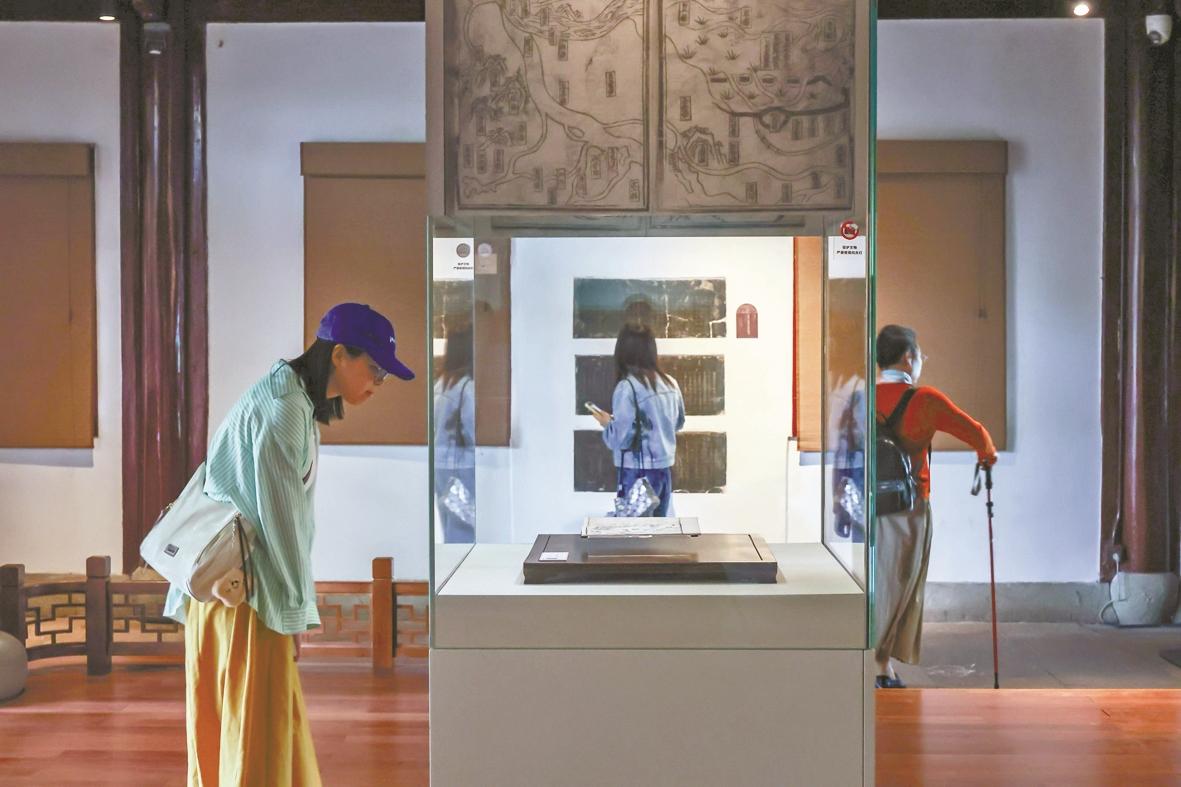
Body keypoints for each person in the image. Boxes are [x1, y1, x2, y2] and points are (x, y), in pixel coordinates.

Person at [164, 303, 414, 785]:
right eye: (375, 369)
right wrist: (297, 610)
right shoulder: (284, 410)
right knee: (256, 734)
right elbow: (282, 524)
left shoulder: (287, 395)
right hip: (246, 597)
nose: (379, 383)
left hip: (229, 591)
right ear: (339, 355)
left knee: (239, 729)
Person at [873, 324, 997, 689]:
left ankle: (879, 663)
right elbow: (978, 434)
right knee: (899, 583)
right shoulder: (925, 399)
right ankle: (877, 665)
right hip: (908, 507)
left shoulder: (863, 397)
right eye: (920, 356)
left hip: (867, 505)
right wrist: (986, 457)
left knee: (879, 580)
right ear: (908, 357)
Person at [591, 323, 686, 517]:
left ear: (622, 352)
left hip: (637, 473)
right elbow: (678, 422)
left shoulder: (627, 387)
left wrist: (607, 424)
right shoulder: (670, 383)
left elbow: (621, 439)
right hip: (664, 472)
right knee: (660, 530)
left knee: (634, 531)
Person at [434, 321, 475, 543]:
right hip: (462, 466)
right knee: (464, 528)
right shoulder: (466, 387)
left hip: (440, 465)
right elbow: (474, 433)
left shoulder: (440, 385)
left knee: (449, 524)